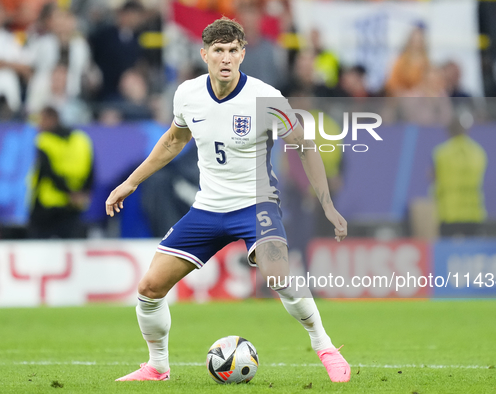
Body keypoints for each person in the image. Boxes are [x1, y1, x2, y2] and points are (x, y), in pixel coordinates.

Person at [106, 17, 351, 383]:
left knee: (277, 275)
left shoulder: (265, 98)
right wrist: (130, 182)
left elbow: (304, 145)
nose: (225, 58)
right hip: (208, 208)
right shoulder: (188, 94)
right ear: (204, 54)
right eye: (218, 51)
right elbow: (174, 140)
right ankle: (157, 367)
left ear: (242, 54)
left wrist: (328, 205)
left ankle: (326, 348)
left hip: (256, 205)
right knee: (149, 288)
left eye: (232, 50)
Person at [29, 106, 94, 239]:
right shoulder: (81, 139)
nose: (38, 125)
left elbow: (48, 172)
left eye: (42, 120)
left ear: (52, 120)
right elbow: (92, 169)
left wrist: (68, 192)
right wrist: (83, 192)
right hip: (75, 206)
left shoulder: (44, 140)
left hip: (47, 206)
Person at [432, 113, 487, 237]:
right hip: (474, 212)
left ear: (449, 129)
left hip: (449, 213)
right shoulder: (478, 152)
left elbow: (433, 176)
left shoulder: (441, 152)